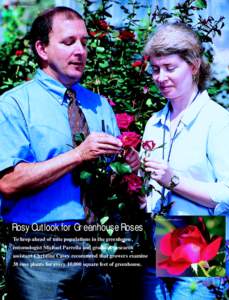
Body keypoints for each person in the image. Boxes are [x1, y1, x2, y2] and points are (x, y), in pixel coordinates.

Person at [0, 6, 139, 300]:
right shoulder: (13, 104)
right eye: (68, 42)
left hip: (97, 251)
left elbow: (109, 184)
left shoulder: (99, 105)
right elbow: (9, 182)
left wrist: (127, 170)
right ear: (42, 49)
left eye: (85, 43)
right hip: (39, 253)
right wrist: (78, 155)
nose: (80, 51)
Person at [139, 22, 229, 300]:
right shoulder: (154, 123)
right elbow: (151, 192)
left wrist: (174, 180)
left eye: (169, 67)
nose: (160, 77)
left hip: (201, 238)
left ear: (193, 67)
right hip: (155, 239)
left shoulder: (218, 122)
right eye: (155, 69)